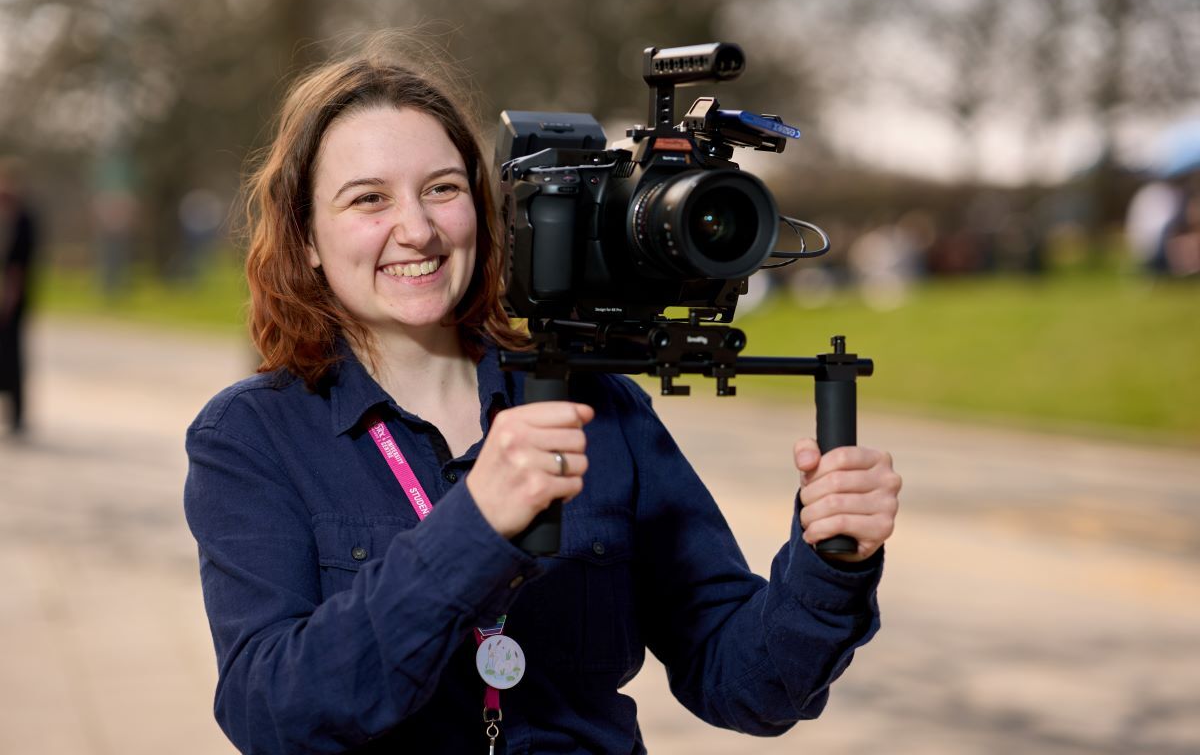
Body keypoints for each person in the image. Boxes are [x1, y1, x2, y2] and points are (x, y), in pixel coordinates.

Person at [184, 37, 902, 755]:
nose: (418, 229)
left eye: (442, 188)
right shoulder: (252, 436)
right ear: (306, 234)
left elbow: (746, 683)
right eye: (369, 199)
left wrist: (829, 559)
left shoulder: (599, 406)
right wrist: (474, 525)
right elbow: (271, 715)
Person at [0, 157, 36, 437]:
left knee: (13, 355)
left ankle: (17, 415)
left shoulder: (23, 217)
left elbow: (22, 261)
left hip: (15, 294)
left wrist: (12, 293)